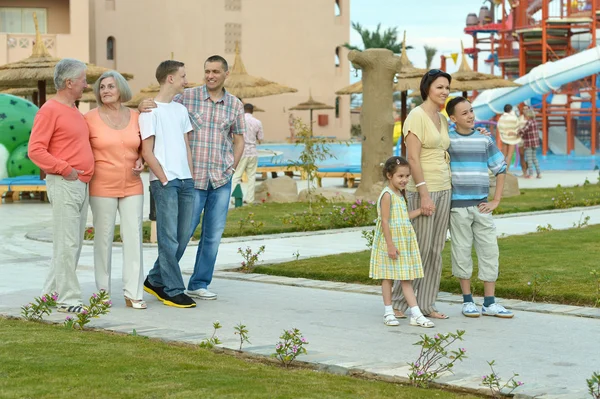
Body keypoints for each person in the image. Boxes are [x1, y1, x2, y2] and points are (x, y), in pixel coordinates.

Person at [139, 55, 245, 301]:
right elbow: (159, 104)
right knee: (182, 233)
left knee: (213, 235)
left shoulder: (235, 105)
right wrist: (141, 105)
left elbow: (239, 138)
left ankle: (198, 282)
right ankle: (160, 278)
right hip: (191, 179)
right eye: (207, 71)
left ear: (225, 74)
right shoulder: (186, 97)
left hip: (220, 178)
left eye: (216, 72)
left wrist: (232, 168)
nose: (210, 75)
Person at [28, 58, 94, 314]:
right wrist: (65, 169)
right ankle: (69, 299)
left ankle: (49, 295)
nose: (86, 85)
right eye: (83, 80)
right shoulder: (50, 110)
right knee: (67, 244)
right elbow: (35, 150)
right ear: (69, 82)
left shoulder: (74, 110)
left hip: (80, 184)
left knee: (72, 243)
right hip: (65, 182)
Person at [391, 69, 453, 320]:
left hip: (444, 188)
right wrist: (425, 194)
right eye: (440, 87)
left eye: (448, 87)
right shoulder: (416, 117)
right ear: (427, 88)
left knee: (435, 249)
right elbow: (413, 158)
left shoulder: (443, 118)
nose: (445, 92)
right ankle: (398, 302)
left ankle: (427, 304)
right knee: (418, 248)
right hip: (422, 190)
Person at [446, 97, 513, 319]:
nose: (471, 116)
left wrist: (496, 200)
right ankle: (467, 301)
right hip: (458, 208)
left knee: (489, 251)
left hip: (482, 206)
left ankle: (489, 303)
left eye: (471, 111)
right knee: (461, 251)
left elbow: (500, 168)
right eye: (464, 113)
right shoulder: (447, 140)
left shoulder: (485, 140)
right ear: (453, 118)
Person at [85, 70, 146, 309]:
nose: (106, 91)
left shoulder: (136, 116)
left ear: (121, 89)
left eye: (110, 86)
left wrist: (143, 158)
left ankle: (134, 294)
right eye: (102, 87)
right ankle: (102, 295)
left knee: (134, 238)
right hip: (101, 185)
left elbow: (144, 144)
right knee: (103, 240)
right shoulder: (89, 118)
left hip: (133, 184)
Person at [140, 60, 196, 308]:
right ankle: (173, 289)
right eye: (183, 76)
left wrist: (191, 176)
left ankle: (154, 279)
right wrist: (163, 178)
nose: (186, 80)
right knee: (168, 239)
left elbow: (186, 146)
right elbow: (147, 151)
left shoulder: (181, 110)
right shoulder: (149, 111)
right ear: (170, 78)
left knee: (183, 237)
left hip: (186, 182)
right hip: (166, 183)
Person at [370, 156, 434, 328]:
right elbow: (385, 221)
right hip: (391, 242)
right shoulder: (387, 195)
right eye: (400, 176)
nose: (404, 180)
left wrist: (420, 210)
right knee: (388, 277)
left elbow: (402, 217)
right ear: (389, 175)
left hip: (404, 241)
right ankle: (389, 312)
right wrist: (390, 245)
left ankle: (416, 314)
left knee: (407, 278)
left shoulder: (400, 194)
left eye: (407, 176)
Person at [231, 103, 264, 204]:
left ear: (243, 110)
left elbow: (232, 137)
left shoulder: (238, 121)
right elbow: (261, 139)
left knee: (236, 176)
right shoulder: (258, 122)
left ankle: (233, 199)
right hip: (253, 152)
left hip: (241, 152)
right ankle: (250, 199)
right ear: (252, 111)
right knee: (251, 177)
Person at [497, 104, 522, 172]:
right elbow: (518, 126)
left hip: (504, 137)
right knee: (510, 154)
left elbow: (499, 126)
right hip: (512, 138)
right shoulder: (514, 118)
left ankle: (501, 169)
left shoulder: (501, 117)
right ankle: (506, 170)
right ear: (511, 109)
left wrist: (504, 133)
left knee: (504, 154)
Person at [519, 109, 542, 179]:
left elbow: (524, 130)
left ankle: (531, 174)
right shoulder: (535, 122)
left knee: (529, 159)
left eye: (526, 115)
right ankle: (539, 173)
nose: (525, 116)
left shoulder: (529, 122)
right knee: (534, 158)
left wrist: (517, 132)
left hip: (529, 143)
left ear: (528, 116)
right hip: (535, 143)